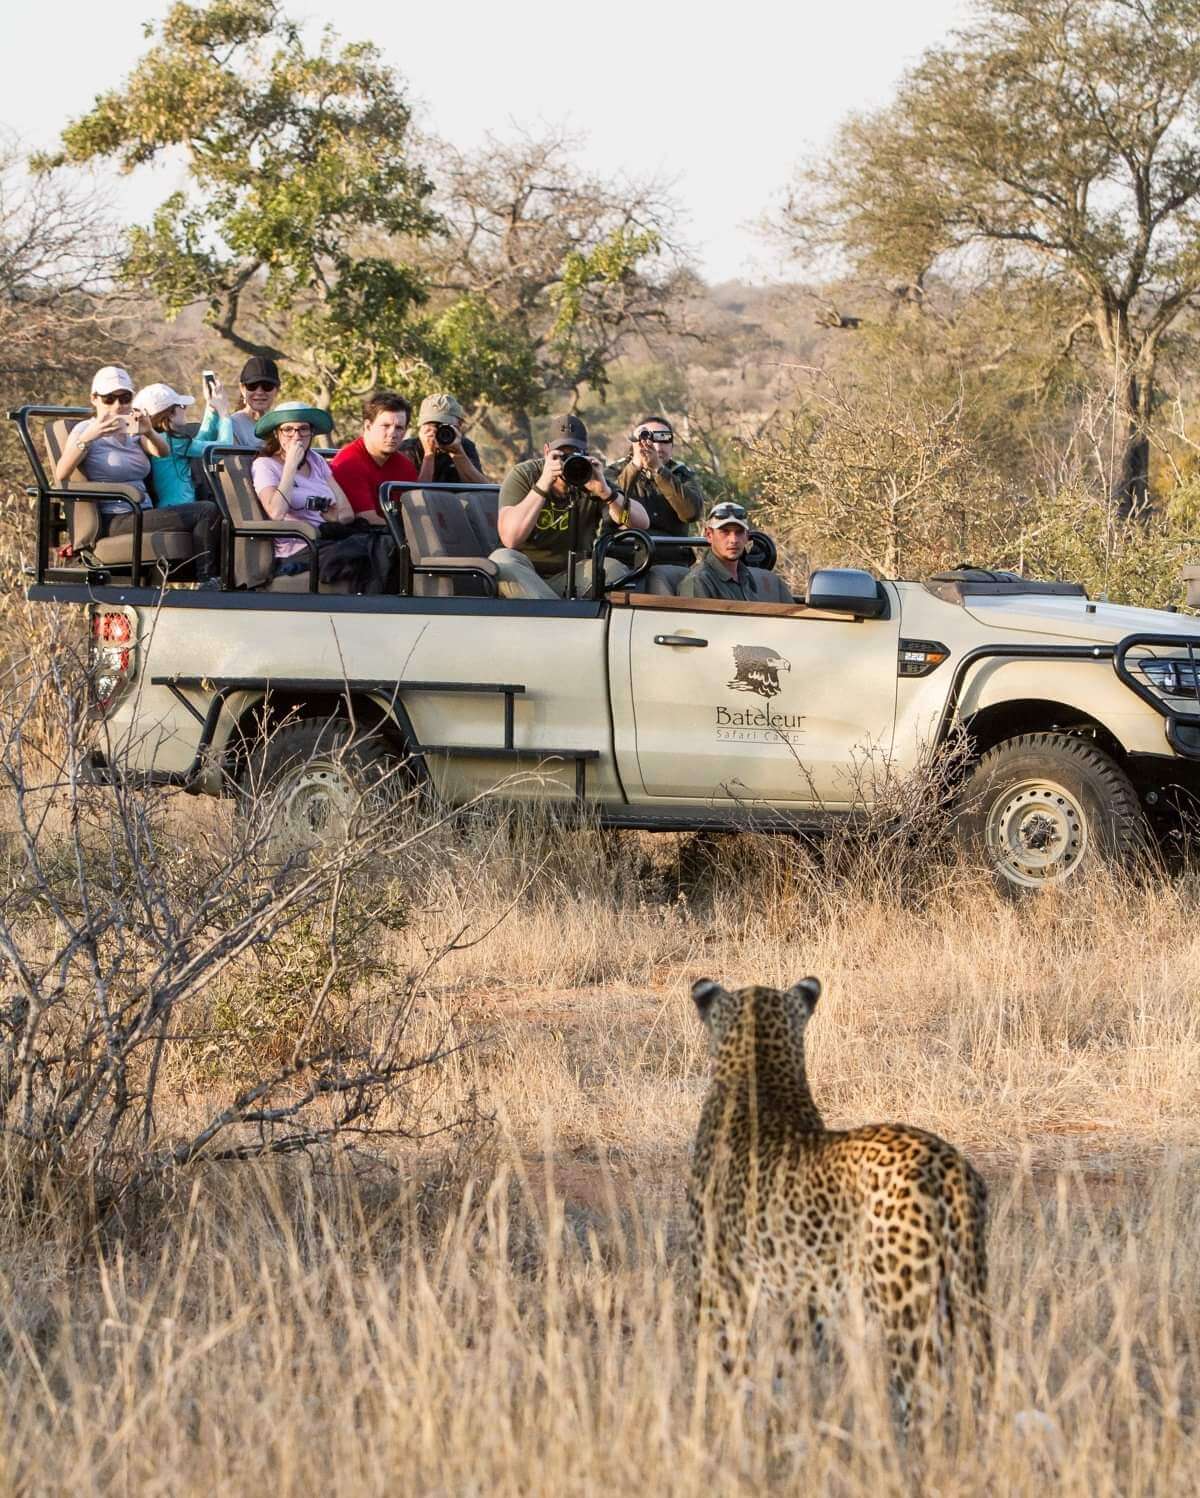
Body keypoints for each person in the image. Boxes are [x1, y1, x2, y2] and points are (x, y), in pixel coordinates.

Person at [55, 365, 222, 586]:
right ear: (94, 398)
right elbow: (61, 473)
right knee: (205, 511)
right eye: (109, 399)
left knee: (214, 507)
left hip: (142, 511)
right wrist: (88, 438)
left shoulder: (131, 430)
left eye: (124, 398)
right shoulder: (84, 430)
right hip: (116, 517)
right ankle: (207, 581)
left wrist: (148, 431)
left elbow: (161, 452)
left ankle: (211, 579)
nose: (117, 405)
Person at [490, 414, 650, 599]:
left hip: (572, 576)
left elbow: (640, 523)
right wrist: (543, 484)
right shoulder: (524, 475)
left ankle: (553, 611)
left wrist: (607, 493)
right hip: (527, 575)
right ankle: (558, 614)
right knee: (502, 560)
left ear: (585, 453)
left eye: (573, 454)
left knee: (613, 569)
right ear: (546, 451)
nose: (566, 461)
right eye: (560, 455)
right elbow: (511, 539)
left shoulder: (590, 477)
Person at [252, 401, 396, 591]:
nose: (296, 436)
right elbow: (276, 512)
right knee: (371, 552)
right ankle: (370, 608)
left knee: (389, 542)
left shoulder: (316, 460)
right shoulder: (265, 465)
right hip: (299, 546)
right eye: (288, 429)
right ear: (277, 434)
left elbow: (346, 513)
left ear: (311, 433)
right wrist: (289, 468)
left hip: (328, 536)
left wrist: (334, 517)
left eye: (303, 429)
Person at [605, 416, 704, 561]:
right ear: (634, 443)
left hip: (670, 557)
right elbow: (611, 513)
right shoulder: (614, 472)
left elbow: (691, 513)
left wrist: (659, 470)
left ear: (672, 446)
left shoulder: (682, 474)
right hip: (623, 556)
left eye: (663, 439)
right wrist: (634, 467)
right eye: (647, 438)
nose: (656, 447)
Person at [137, 376, 234, 507]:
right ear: (170, 414)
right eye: (182, 406)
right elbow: (224, 447)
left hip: (173, 506)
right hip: (180, 507)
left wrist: (211, 408)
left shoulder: (165, 439)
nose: (185, 409)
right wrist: (224, 413)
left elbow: (201, 441)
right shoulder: (172, 441)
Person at [677, 501, 793, 602]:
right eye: (725, 532)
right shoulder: (698, 582)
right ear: (709, 535)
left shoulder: (746, 576)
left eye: (739, 532)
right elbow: (697, 626)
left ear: (747, 536)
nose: (733, 540)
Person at [329, 391, 418, 521]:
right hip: (363, 537)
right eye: (385, 426)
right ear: (368, 426)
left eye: (399, 428)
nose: (392, 434)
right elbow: (368, 520)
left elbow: (417, 511)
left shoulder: (405, 466)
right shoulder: (348, 463)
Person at [400, 393, 487, 484]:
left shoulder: (465, 446)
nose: (438, 431)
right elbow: (415, 494)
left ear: (459, 424)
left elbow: (483, 491)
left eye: (445, 426)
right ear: (421, 426)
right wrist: (429, 455)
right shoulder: (408, 449)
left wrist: (458, 454)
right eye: (432, 425)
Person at [199, 355, 281, 448]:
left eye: (267, 386)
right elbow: (233, 460)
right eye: (252, 386)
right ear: (242, 389)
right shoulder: (231, 426)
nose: (259, 392)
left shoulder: (284, 425)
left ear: (277, 390)